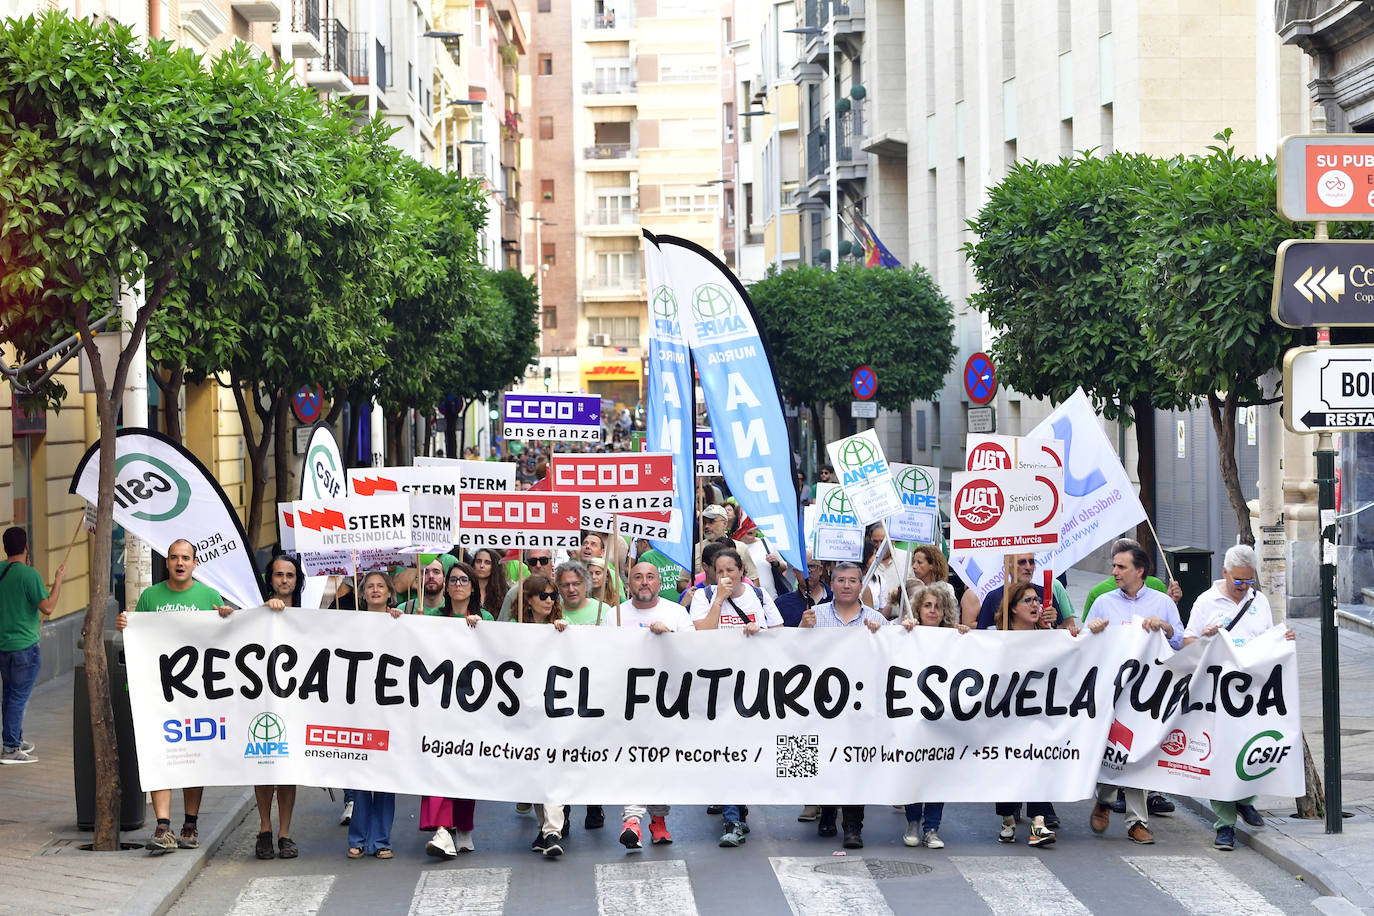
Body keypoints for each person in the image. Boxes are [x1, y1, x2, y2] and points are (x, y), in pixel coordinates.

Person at [116, 538, 235, 854]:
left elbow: (226, 638)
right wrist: (127, 625)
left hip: (197, 693)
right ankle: (163, 826)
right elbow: (138, 639)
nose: (180, 562)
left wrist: (228, 617)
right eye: (173, 557)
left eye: (186, 557)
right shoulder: (151, 596)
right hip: (158, 692)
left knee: (193, 756)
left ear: (195, 563)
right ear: (166, 563)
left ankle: (190, 824)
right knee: (160, 752)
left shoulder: (209, 596)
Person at [1183, 544, 1295, 852]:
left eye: (1249, 581)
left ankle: (1245, 799)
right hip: (1218, 692)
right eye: (1239, 582)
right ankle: (1225, 825)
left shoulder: (1258, 601)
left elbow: (1267, 638)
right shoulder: (1207, 601)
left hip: (1252, 694)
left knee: (1253, 749)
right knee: (1221, 757)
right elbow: (1187, 640)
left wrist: (1282, 639)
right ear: (1225, 573)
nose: (1244, 588)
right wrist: (1204, 635)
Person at [1084, 544, 1185, 846]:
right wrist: (1093, 629)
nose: (1114, 572)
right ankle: (1104, 798)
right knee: (1112, 749)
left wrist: (1164, 627)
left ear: (1139, 571)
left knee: (1137, 750)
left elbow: (1179, 640)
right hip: (1111, 690)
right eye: (1114, 566)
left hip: (1147, 692)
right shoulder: (1103, 602)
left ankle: (1136, 821)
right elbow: (1083, 642)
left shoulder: (1162, 602)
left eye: (1121, 567)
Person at [689, 549, 781, 848]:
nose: (726, 575)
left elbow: (781, 638)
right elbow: (701, 632)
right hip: (718, 686)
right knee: (726, 751)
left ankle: (739, 810)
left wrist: (760, 631)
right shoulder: (704, 596)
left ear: (742, 570)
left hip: (755, 687)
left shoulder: (760, 596)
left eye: (732, 569)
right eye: (720, 570)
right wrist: (719, 599)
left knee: (745, 751)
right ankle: (731, 818)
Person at [603, 563, 694, 851]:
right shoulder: (614, 614)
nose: (644, 582)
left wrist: (669, 637)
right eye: (638, 577)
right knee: (632, 760)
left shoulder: (676, 613)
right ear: (628, 583)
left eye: (650, 577)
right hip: (627, 702)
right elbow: (600, 654)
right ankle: (632, 820)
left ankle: (658, 820)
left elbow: (696, 652)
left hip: (668, 702)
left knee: (661, 762)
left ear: (659, 582)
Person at [800, 561, 884, 848]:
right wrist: (802, 628)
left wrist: (882, 637)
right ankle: (827, 810)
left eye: (852, 581)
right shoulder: (815, 615)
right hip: (821, 702)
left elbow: (894, 658)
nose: (846, 585)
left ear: (861, 585)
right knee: (823, 757)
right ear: (831, 583)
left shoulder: (875, 619)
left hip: (861, 704)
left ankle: (852, 825)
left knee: (855, 762)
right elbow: (794, 654)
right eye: (840, 580)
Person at [420, 559, 488, 858]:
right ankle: (441, 829)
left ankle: (463, 827)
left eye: (464, 580)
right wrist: (402, 620)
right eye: (453, 580)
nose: (457, 585)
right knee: (436, 764)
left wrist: (481, 629)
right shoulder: (432, 616)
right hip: (437, 703)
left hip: (472, 705)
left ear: (473, 587)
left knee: (465, 765)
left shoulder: (484, 617)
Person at [896, 582, 967, 848]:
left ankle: (932, 827)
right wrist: (902, 632)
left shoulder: (953, 637)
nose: (933, 611)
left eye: (938, 606)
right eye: (927, 605)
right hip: (911, 714)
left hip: (942, 717)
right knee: (913, 769)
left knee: (937, 771)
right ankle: (913, 822)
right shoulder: (906, 633)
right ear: (918, 609)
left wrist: (965, 636)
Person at [991, 581, 1059, 848]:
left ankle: (1038, 823)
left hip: (1038, 714)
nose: (1035, 605)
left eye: (1036, 600)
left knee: (1038, 762)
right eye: (1027, 601)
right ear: (1012, 609)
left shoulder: (1049, 637)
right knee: (1008, 765)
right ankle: (1007, 819)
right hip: (1005, 716)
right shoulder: (995, 639)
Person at [347, 571, 402, 859]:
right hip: (359, 709)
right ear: (363, 594)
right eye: (370, 586)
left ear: (390, 592)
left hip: (388, 711)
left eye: (381, 586)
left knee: (384, 780)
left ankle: (381, 840)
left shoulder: (399, 622)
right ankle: (357, 838)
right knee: (360, 779)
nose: (376, 590)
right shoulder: (351, 624)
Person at [0, 526, 64, 765]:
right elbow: (47, 607)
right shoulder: (29, 575)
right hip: (24, 647)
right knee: (18, 698)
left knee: (8, 695)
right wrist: (58, 581)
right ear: (26, 547)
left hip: (3, 645)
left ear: (5, 548)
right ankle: (10, 748)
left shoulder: (0, 570)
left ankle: (13, 737)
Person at [254, 554, 303, 860]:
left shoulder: (308, 617)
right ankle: (264, 829)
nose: (284, 580)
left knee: (288, 770)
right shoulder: (257, 612)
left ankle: (284, 833)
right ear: (270, 579)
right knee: (262, 765)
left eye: (290, 575)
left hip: (296, 703)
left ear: (297, 581)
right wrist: (262, 611)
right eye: (279, 575)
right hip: (262, 700)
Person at [974, 553, 1074, 630]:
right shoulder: (994, 597)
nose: (1028, 567)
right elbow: (982, 635)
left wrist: (1054, 621)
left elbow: (1062, 631)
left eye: (1031, 562)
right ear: (1008, 566)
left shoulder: (1045, 593)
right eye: (1022, 562)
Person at [693, 505, 760, 581]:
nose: (706, 526)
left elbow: (753, 579)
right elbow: (682, 582)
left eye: (712, 522)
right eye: (704, 522)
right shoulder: (696, 549)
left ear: (725, 524)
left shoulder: (741, 547)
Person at [499, 549, 554, 619]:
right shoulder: (515, 593)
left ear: (552, 562)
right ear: (527, 564)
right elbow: (502, 625)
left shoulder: (562, 589)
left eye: (543, 560)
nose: (538, 565)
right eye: (533, 561)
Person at [471, 547, 509, 620]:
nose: (482, 566)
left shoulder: (503, 592)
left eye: (487, 562)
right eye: (478, 561)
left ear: (494, 566)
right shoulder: (465, 588)